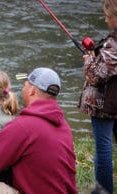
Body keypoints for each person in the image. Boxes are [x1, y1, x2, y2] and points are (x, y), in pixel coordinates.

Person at [78, 0, 117, 193]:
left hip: (105, 105)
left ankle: (103, 191)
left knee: (103, 150)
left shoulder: (113, 44)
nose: (105, 19)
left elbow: (96, 76)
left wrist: (89, 60)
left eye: (108, 16)